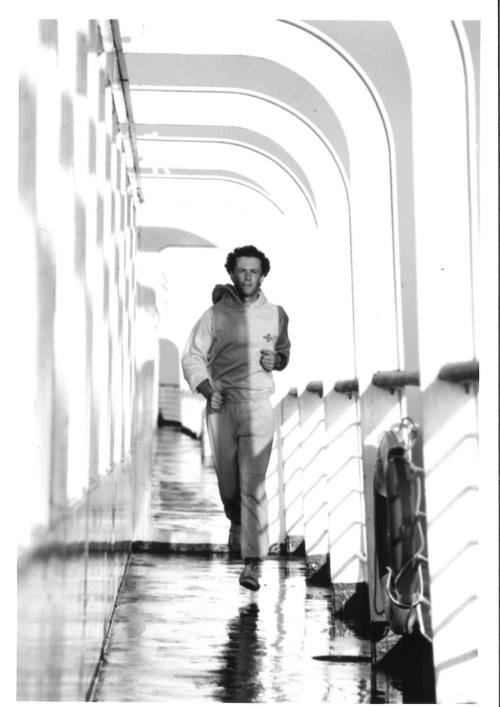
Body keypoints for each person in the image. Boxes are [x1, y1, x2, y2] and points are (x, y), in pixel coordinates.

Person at [182, 245, 290, 590]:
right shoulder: (213, 316)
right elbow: (193, 357)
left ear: (263, 275)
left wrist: (279, 361)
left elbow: (284, 351)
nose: (247, 277)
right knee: (229, 485)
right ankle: (236, 522)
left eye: (254, 271)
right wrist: (208, 390)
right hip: (221, 404)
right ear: (232, 273)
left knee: (253, 484)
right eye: (241, 271)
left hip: (258, 404)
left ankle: (253, 563)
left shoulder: (277, 314)